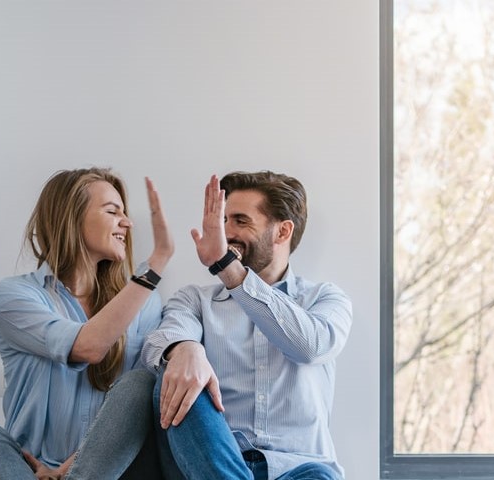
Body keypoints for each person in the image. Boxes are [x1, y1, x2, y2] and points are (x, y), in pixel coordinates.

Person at [0, 167, 174, 480]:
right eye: (112, 211)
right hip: (28, 471)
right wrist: (154, 265)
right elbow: (89, 346)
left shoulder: (144, 303)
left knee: (139, 384)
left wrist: (71, 469)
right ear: (72, 218)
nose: (127, 222)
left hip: (106, 472)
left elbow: (133, 411)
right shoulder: (11, 296)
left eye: (124, 212)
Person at [141, 171, 353, 480]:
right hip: (212, 466)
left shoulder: (324, 299)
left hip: (300, 469)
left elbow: (309, 347)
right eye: (224, 221)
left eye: (240, 221)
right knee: (177, 372)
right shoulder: (196, 300)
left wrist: (227, 268)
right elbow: (157, 344)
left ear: (282, 232)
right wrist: (185, 350)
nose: (226, 233)